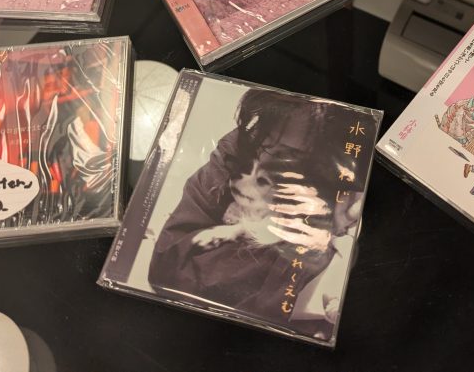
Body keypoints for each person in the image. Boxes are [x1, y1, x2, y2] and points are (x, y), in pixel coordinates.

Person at [148, 88, 364, 332]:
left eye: (290, 155)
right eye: (266, 143)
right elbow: (166, 264)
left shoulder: (344, 185)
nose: (265, 162)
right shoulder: (236, 151)